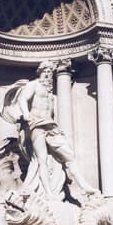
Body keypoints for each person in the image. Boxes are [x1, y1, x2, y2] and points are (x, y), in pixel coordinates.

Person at [14, 62, 95, 198]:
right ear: (39, 72)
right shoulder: (33, 85)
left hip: (51, 126)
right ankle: (49, 193)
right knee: (42, 160)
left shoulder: (50, 92)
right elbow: (23, 98)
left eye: (50, 72)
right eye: (45, 71)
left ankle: (84, 186)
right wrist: (26, 114)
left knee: (69, 155)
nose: (47, 74)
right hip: (37, 124)